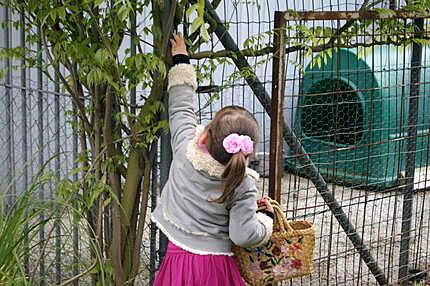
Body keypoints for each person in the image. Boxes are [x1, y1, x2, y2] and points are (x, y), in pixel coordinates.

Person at [151, 32, 274, 286]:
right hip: (216, 270)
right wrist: (266, 222)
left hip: (178, 262)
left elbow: (181, 107)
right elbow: (243, 234)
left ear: (206, 135)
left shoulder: (185, 148)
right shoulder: (242, 183)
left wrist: (181, 59)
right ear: (247, 152)